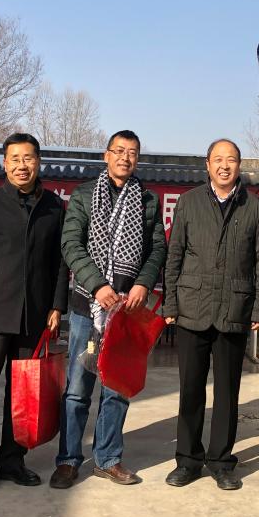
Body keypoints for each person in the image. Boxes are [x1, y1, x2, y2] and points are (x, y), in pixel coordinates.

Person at [50, 130, 167, 488]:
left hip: (126, 310)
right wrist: (98, 286)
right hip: (87, 307)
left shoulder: (147, 200)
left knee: (117, 386)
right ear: (106, 155)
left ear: (137, 158)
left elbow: (157, 248)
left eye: (132, 152)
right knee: (77, 388)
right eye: (119, 151)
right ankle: (69, 460)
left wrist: (143, 284)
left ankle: (107, 458)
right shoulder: (84, 194)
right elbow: (71, 244)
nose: (125, 158)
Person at [0, 132, 68, 495]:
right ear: (5, 164)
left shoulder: (53, 207)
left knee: (23, 396)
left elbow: (60, 263)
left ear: (39, 162)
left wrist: (56, 306)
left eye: (28, 158)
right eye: (15, 159)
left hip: (33, 317)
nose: (22, 165)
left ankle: (11, 461)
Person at [162, 139, 259, 490]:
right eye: (218, 159)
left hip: (234, 310)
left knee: (227, 393)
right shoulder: (189, 202)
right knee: (191, 391)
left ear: (239, 165)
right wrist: (169, 304)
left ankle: (222, 462)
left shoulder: (254, 207)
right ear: (207, 165)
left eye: (231, 160)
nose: (225, 166)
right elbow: (174, 256)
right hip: (192, 308)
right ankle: (188, 461)